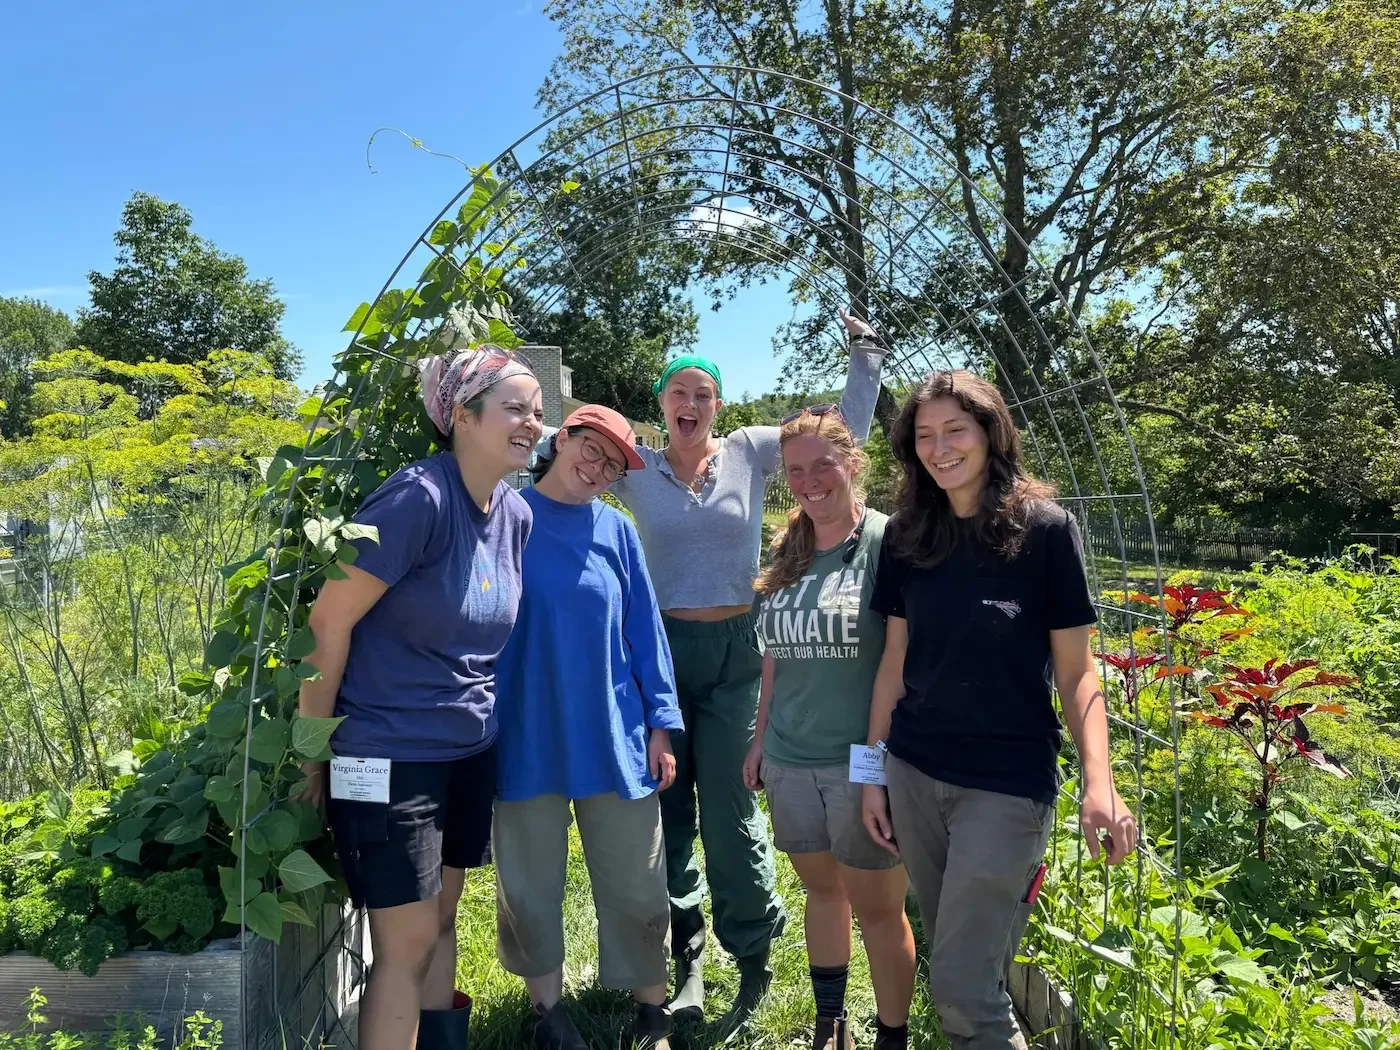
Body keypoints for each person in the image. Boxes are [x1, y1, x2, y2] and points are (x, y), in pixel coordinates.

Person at [535, 308, 888, 1025]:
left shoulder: (751, 451)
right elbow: (537, 443)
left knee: (730, 808)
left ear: (717, 405)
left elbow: (837, 433)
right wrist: (487, 404)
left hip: (736, 651)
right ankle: (685, 952)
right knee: (665, 806)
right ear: (660, 404)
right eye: (677, 392)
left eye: (702, 393)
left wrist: (865, 357)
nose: (689, 404)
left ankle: (752, 946)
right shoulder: (635, 467)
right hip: (658, 653)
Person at [859, 370, 1139, 1050]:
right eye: (924, 435)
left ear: (990, 431)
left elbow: (1077, 672)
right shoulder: (905, 535)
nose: (939, 447)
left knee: (960, 985)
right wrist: (872, 771)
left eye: (955, 429)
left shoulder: (1043, 531)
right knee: (960, 967)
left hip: (1007, 783)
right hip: (916, 773)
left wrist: (1100, 782)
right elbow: (894, 663)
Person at [296, 346, 542, 1050]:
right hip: (387, 756)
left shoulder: (513, 516)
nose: (532, 423)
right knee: (402, 947)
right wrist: (313, 752)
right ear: (462, 417)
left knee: (438, 923)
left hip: (468, 750)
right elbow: (328, 619)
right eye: (514, 409)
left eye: (536, 410)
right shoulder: (419, 499)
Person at [493, 404, 684, 1050]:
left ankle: (651, 1012)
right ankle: (548, 1013)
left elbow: (646, 634)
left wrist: (661, 723)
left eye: (613, 463)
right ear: (563, 439)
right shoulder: (504, 519)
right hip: (525, 733)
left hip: (614, 734)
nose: (598, 468)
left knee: (639, 882)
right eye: (591, 448)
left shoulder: (618, 532)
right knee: (529, 884)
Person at [743, 406, 917, 1050]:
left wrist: (878, 764)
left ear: (853, 463)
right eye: (796, 471)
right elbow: (773, 657)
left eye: (824, 464)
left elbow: (900, 664)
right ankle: (830, 1024)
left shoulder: (886, 544)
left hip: (861, 767)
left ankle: (891, 1037)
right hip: (791, 758)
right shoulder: (786, 548)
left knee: (878, 909)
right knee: (823, 892)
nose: (811, 480)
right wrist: (761, 739)